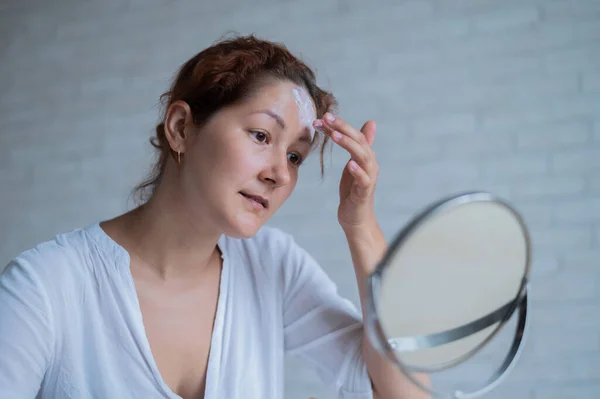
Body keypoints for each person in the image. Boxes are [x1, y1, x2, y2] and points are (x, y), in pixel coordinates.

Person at [0, 35, 429, 399]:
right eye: (261, 135)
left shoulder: (272, 266)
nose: (279, 173)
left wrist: (361, 225)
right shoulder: (45, 287)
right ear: (181, 127)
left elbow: (406, 392)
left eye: (295, 155)